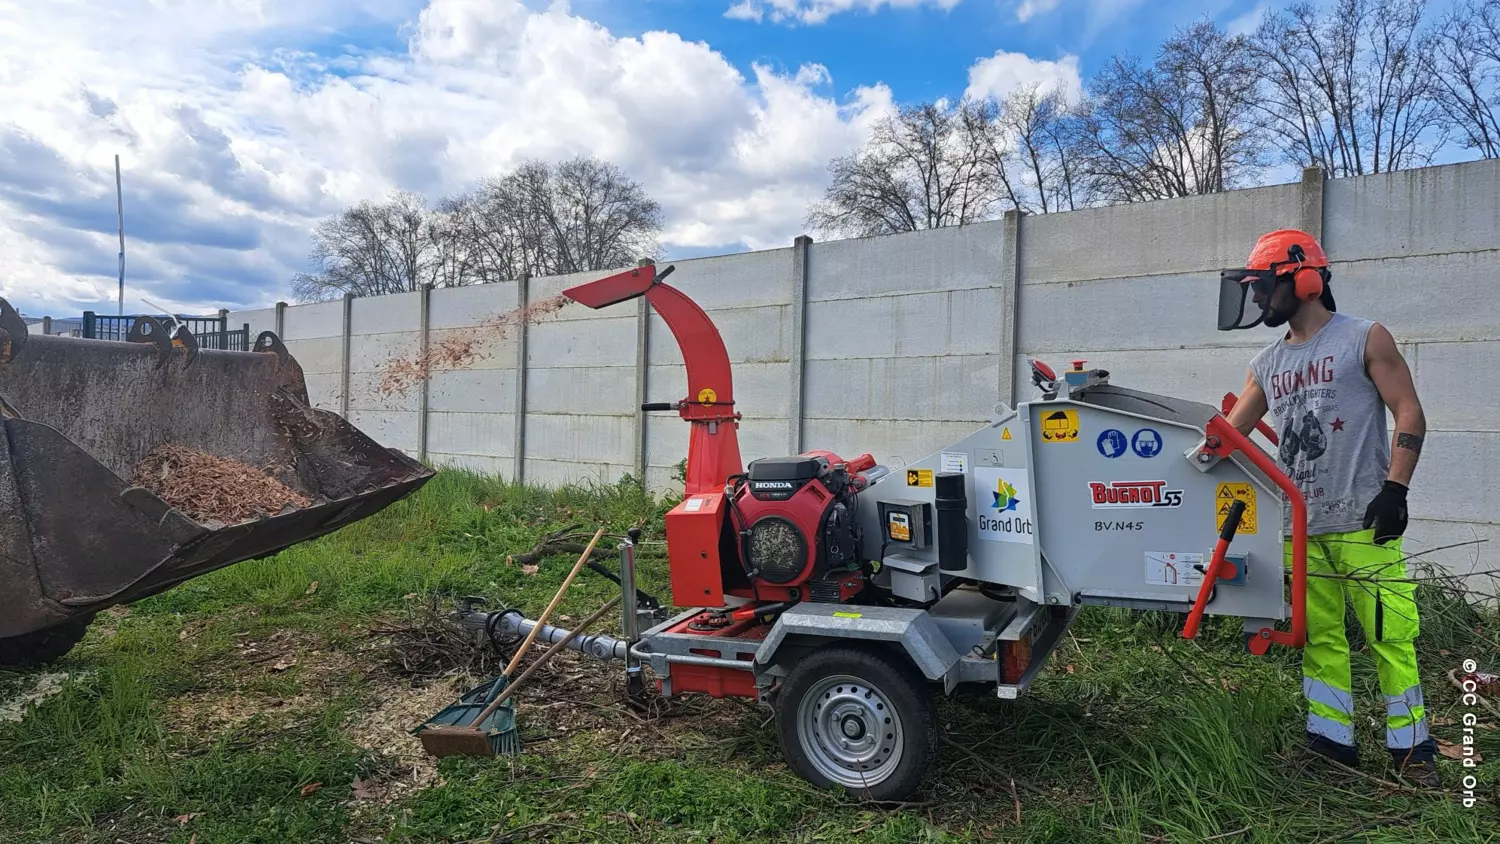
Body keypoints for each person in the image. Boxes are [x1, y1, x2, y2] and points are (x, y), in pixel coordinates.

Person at [1219, 229, 1438, 788]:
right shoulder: (1265, 362)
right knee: (1319, 637)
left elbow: (1408, 412)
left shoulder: (1365, 337)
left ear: (1305, 279)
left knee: (1392, 633)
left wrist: (1396, 490)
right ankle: (1331, 744)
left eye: (1266, 287)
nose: (1261, 300)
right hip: (1299, 526)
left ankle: (1413, 751)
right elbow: (1229, 435)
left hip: (1366, 519)